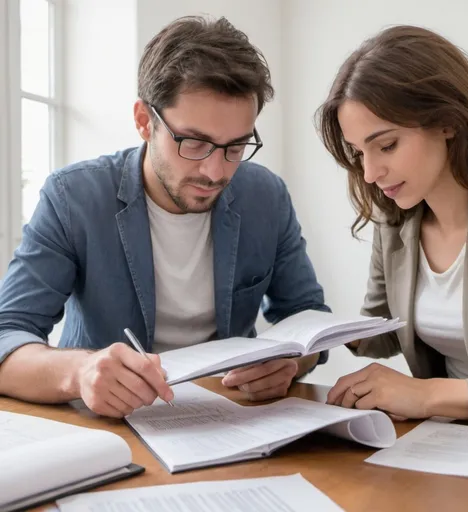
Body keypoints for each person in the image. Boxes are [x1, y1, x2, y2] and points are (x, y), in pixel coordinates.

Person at [0, 16, 329, 418]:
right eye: (194, 143)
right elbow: (7, 335)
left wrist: (293, 363)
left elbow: (309, 319)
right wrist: (79, 371)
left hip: (235, 420)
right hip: (112, 427)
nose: (215, 171)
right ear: (144, 121)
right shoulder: (74, 198)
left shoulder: (266, 196)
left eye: (236, 146)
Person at [318, 25, 468, 426]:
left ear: (447, 122)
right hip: (446, 446)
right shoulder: (395, 217)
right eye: (359, 153)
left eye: (386, 145)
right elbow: (384, 329)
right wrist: (313, 339)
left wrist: (427, 395)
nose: (370, 173)